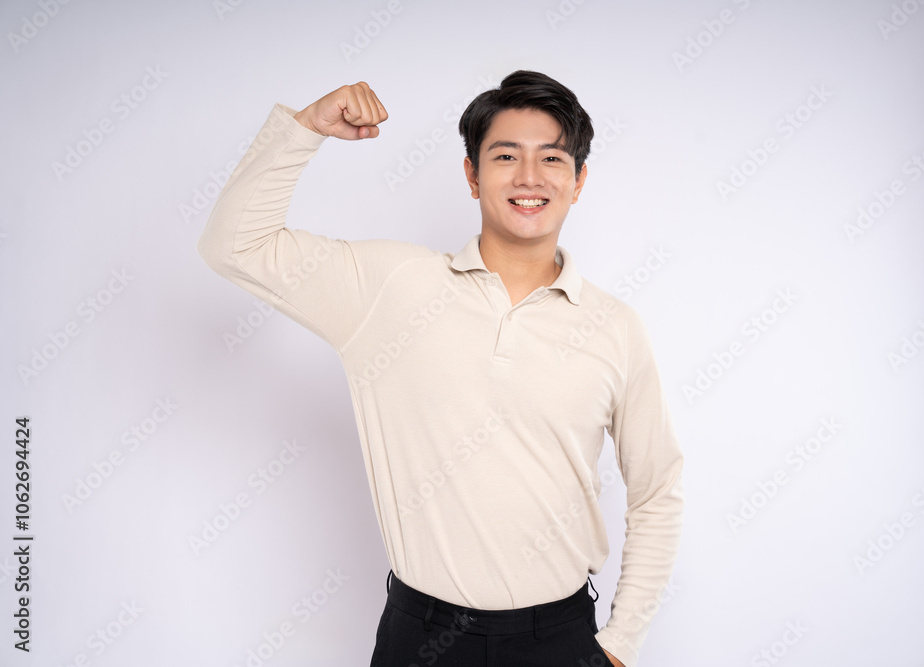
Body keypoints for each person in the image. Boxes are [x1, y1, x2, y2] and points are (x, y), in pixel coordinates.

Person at [197, 70, 683, 667]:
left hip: (559, 639)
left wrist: (619, 644)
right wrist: (306, 129)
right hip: (420, 637)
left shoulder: (614, 327)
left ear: (578, 181)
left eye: (552, 158)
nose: (529, 177)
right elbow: (234, 246)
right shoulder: (390, 288)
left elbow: (657, 488)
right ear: (472, 175)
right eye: (505, 155)